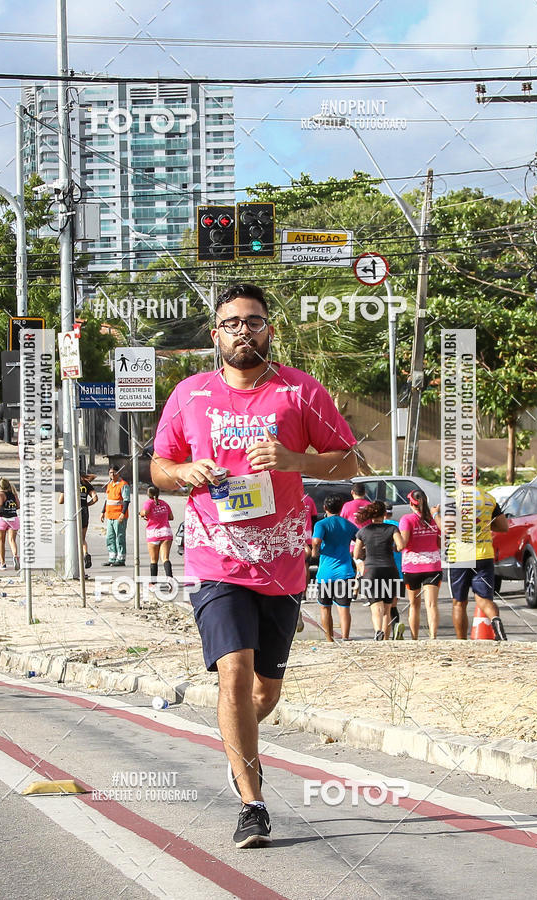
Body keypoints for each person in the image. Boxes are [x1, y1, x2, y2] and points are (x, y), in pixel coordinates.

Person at [150, 282, 357, 848]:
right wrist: (184, 473)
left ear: (270, 330)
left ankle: (236, 742)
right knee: (234, 674)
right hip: (215, 559)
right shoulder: (190, 394)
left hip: (283, 564)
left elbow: (352, 460)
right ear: (215, 334)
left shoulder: (300, 391)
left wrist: (296, 459)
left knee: (263, 694)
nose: (245, 329)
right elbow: (159, 468)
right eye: (233, 322)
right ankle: (253, 801)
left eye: (255, 321)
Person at [436, 468, 509, 641]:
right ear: (477, 477)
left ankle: (462, 641)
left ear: (457, 477)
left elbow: (447, 528)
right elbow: (503, 527)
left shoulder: (451, 498)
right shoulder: (488, 498)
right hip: (484, 555)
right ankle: (496, 620)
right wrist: (482, 526)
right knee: (483, 599)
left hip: (459, 556)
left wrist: (435, 514)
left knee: (459, 603)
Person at [353, 500, 404, 640]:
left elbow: (356, 555)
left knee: (375, 606)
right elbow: (400, 546)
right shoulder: (392, 529)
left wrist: (366, 551)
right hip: (389, 570)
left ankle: (377, 631)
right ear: (384, 514)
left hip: (371, 571)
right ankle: (385, 639)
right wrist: (392, 547)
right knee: (387, 608)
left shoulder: (363, 531)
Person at [311, 494, 358, 641]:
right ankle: (345, 638)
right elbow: (360, 539)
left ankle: (329, 639)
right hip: (345, 572)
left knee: (325, 607)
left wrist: (314, 552)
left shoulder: (321, 524)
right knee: (344, 608)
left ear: (325, 508)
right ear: (341, 508)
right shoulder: (348, 524)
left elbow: (316, 541)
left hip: (325, 573)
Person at [399, 490, 442, 640]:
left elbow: (403, 543)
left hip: (412, 567)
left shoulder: (406, 519)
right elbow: (440, 543)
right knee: (432, 605)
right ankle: (433, 637)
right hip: (433, 566)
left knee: (414, 605)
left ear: (411, 503)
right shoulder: (433, 520)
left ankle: (414, 638)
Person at [58, 473, 99, 569]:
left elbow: (60, 500)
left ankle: (73, 563)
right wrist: (87, 504)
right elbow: (95, 498)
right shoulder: (86, 484)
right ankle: (86, 554)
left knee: (72, 538)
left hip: (73, 511)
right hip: (84, 511)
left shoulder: (68, 483)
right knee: (82, 539)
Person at [140, 486, 174, 579]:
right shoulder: (164, 503)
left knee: (153, 559)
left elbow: (145, 512)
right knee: (165, 558)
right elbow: (171, 517)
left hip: (153, 533)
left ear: (148, 494)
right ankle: (170, 578)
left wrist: (141, 514)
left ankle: (154, 582)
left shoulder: (148, 503)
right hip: (166, 532)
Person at [383, 501, 406, 640]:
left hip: (381, 569)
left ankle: (384, 633)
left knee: (382, 606)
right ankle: (396, 626)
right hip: (398, 569)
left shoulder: (376, 527)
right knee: (393, 604)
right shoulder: (398, 526)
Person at [100, 467, 131, 566]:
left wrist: (122, 513)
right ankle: (112, 557)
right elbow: (107, 500)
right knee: (110, 537)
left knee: (119, 537)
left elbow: (126, 500)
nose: (112, 475)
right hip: (110, 515)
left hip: (119, 516)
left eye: (114, 473)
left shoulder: (123, 485)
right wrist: (103, 511)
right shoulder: (110, 485)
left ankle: (121, 558)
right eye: (110, 473)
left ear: (118, 473)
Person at [297, 492, 318, 633]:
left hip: (293, 533)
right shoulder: (309, 499)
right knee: (306, 566)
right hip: (308, 534)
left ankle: (297, 592)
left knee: (296, 566)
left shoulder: (288, 496)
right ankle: (304, 593)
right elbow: (315, 518)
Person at [0, 477, 20, 570]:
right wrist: (10, 509)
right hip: (13, 518)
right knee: (12, 540)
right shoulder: (13, 494)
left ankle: (2, 563)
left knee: (1, 542)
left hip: (2, 518)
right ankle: (15, 556)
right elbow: (18, 505)